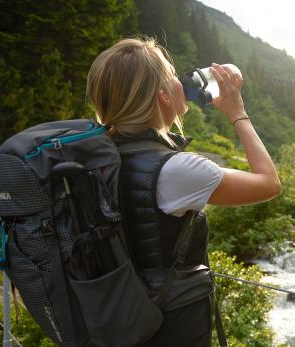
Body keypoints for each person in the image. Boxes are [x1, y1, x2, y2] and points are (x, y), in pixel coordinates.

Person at [86, 38, 281, 346]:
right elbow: (269, 183)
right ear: (163, 95)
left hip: (117, 318)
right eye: (173, 76)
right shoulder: (176, 170)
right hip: (168, 327)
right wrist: (238, 113)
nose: (183, 81)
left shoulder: (98, 155)